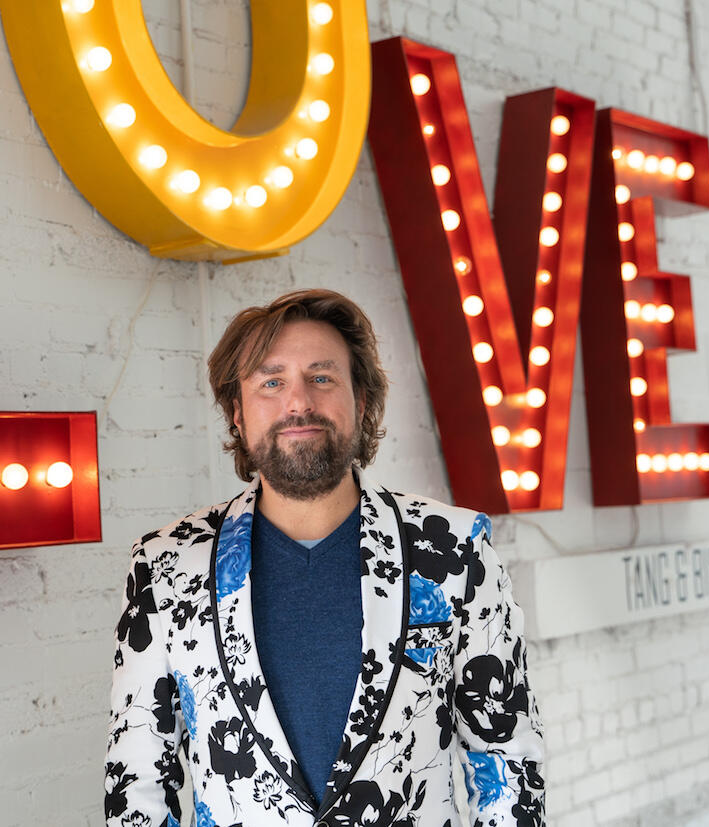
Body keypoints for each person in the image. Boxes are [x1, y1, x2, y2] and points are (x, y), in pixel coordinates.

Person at [105, 289, 545, 827]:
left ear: (361, 401)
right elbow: (138, 775)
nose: (297, 403)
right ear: (237, 414)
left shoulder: (453, 549)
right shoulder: (168, 564)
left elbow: (506, 756)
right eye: (271, 382)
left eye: (321, 377)